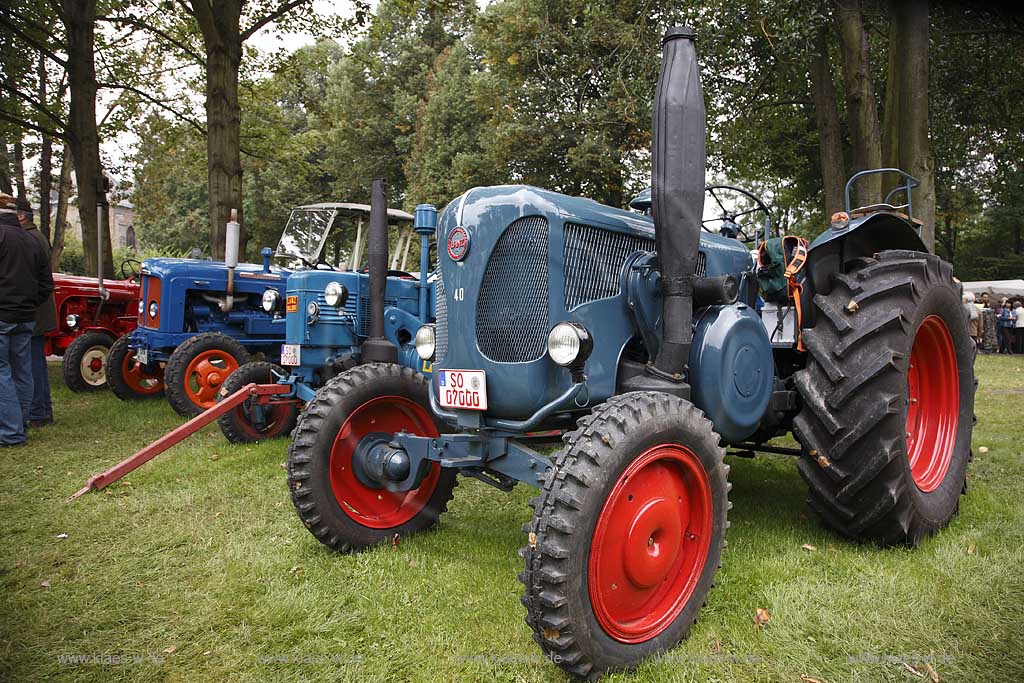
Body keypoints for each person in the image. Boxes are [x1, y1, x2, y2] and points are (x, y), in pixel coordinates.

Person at [0, 193, 54, 446]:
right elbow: (46, 285)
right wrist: (29, 303)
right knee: (22, 372)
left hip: (4, 315)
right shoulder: (32, 240)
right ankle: (19, 425)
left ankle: (12, 433)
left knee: (3, 372)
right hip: (25, 315)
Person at [17, 198, 56, 427]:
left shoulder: (31, 239)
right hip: (34, 307)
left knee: (33, 362)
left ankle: (40, 410)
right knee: (32, 360)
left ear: (21, 216)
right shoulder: (34, 237)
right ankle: (39, 409)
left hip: (33, 310)